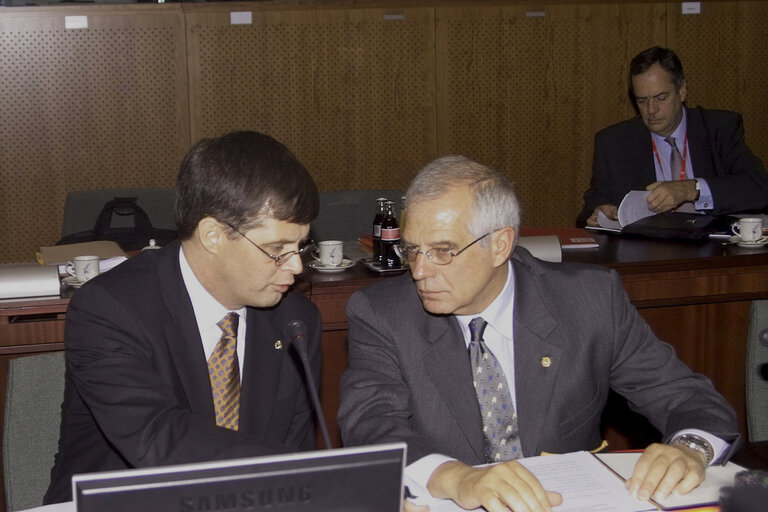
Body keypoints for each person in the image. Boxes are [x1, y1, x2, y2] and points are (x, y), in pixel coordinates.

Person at [339, 155, 740, 512]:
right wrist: (459, 479)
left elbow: (686, 397)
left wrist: (692, 448)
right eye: (412, 250)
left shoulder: (589, 300)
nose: (420, 271)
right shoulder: (382, 314)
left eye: (443, 251)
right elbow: (371, 425)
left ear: (500, 245)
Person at [45, 131, 322, 503]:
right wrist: (313, 472)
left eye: (301, 245)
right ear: (212, 236)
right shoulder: (109, 308)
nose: (297, 266)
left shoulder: (295, 320)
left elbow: (295, 445)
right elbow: (157, 439)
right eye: (277, 249)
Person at [579, 46, 768, 227]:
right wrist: (599, 212)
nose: (651, 110)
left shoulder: (719, 128)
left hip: (712, 249)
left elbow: (758, 187)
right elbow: (590, 208)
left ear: (682, 90)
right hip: (648, 253)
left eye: (661, 98)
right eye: (642, 101)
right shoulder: (614, 142)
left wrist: (691, 189)